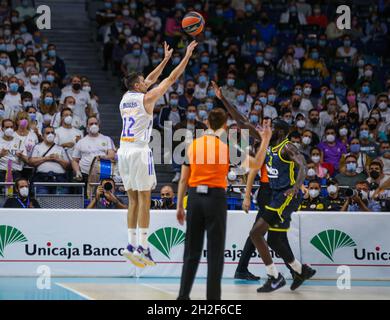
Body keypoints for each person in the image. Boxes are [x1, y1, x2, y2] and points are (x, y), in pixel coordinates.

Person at [176, 106, 272, 300]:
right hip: (215, 199)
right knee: (215, 252)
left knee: (191, 251)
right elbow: (255, 164)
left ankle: (183, 297)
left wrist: (179, 206)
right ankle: (213, 301)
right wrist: (266, 140)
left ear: (207, 124)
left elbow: (183, 180)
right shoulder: (227, 146)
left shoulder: (192, 145)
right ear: (226, 125)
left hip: (194, 198)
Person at [118, 41, 198, 268]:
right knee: (145, 199)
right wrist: (187, 55)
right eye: (143, 82)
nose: (147, 82)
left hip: (123, 150)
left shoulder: (126, 97)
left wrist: (164, 60)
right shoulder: (147, 98)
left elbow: (151, 78)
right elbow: (170, 79)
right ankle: (143, 247)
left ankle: (131, 245)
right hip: (139, 151)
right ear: (137, 85)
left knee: (133, 199)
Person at [29, 126, 69, 194]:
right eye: (47, 133)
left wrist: (58, 159)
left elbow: (68, 165)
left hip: (59, 179)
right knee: (42, 201)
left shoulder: (60, 148)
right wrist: (46, 158)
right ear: (43, 135)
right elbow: (32, 162)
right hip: (41, 179)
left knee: (60, 202)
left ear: (55, 135)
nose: (50, 135)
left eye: (52, 133)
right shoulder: (37, 147)